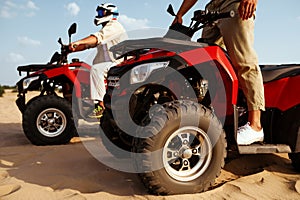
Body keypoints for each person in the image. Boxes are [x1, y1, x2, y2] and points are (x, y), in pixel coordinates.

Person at [173, 0, 264, 145]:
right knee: (203, 64)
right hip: (212, 8)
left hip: (234, 3)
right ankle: (207, 119)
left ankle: (255, 125)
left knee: (243, 61)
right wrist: (180, 14)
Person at [69, 3, 127, 118]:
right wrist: (71, 48)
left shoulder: (114, 26)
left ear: (109, 13)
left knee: (96, 69)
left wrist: (78, 42)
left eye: (101, 13)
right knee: (89, 69)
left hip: (118, 62)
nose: (98, 15)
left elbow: (96, 38)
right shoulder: (106, 29)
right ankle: (88, 101)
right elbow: (88, 45)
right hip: (110, 63)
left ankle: (100, 105)